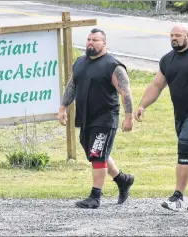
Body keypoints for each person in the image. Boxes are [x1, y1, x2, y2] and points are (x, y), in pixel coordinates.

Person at [134, 24, 188, 212]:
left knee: (185, 148)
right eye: (171, 35)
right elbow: (157, 85)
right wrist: (143, 105)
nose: (174, 38)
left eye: (178, 35)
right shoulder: (168, 60)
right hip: (181, 115)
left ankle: (177, 197)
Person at [57, 28, 135, 209]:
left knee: (97, 153)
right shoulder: (80, 63)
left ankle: (95, 197)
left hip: (105, 117)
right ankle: (123, 180)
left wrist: (128, 116)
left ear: (104, 43)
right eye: (89, 39)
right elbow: (72, 85)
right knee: (95, 152)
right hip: (86, 117)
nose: (91, 43)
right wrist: (63, 107)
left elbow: (125, 92)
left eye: (95, 40)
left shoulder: (113, 66)